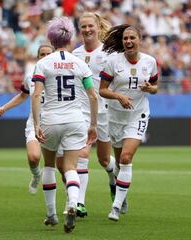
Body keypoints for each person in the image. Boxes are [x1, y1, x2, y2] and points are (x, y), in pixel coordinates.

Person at [31, 16, 98, 233]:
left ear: (51, 38)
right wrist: (93, 125)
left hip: (51, 119)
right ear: (70, 38)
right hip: (76, 119)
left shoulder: (43, 63)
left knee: (50, 165)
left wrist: (36, 124)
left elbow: (36, 95)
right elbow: (93, 96)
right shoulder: (79, 63)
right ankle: (72, 203)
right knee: (70, 167)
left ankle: (51, 215)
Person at [59, 12, 120, 218]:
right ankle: (80, 204)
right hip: (82, 112)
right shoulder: (74, 55)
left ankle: (114, 179)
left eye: (90, 26)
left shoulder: (110, 54)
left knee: (104, 160)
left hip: (106, 112)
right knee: (82, 154)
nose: (86, 30)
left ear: (97, 26)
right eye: (83, 26)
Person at [99, 24, 158, 222]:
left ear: (139, 40)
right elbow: (102, 90)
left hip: (138, 115)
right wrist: (118, 96)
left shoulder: (150, 62)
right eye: (125, 39)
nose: (128, 41)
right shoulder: (113, 61)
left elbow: (155, 86)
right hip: (115, 117)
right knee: (117, 164)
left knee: (125, 158)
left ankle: (115, 206)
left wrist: (151, 89)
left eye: (132, 38)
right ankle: (120, 191)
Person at [0, 44, 54, 195]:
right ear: (38, 58)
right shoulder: (30, 77)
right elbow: (23, 95)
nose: (45, 57)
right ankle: (37, 175)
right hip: (34, 123)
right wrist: (4, 108)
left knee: (62, 167)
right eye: (42, 54)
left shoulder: (61, 76)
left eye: (48, 54)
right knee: (33, 157)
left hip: (55, 122)